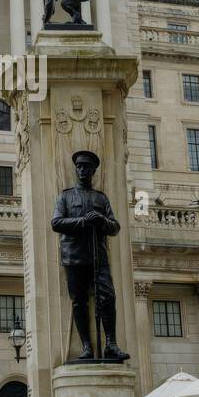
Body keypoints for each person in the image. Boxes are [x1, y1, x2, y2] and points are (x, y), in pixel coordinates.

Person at [51, 150, 128, 361]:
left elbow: (115, 227)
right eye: (80, 167)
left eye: (87, 168)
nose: (83, 170)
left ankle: (111, 343)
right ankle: (86, 346)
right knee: (79, 301)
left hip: (98, 256)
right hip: (74, 256)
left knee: (108, 296)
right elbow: (56, 223)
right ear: (76, 169)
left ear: (94, 171)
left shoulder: (101, 198)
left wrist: (101, 220)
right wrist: (84, 221)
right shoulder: (65, 196)